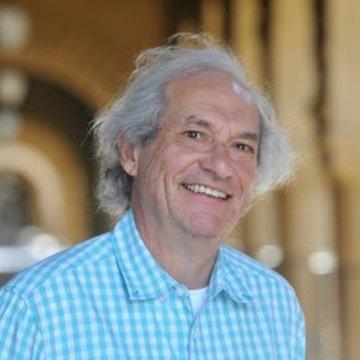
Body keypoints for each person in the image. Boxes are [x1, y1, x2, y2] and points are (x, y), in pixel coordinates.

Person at [0, 34, 305, 359]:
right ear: (131, 151)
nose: (220, 166)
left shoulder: (275, 303)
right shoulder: (38, 308)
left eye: (242, 146)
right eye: (194, 135)